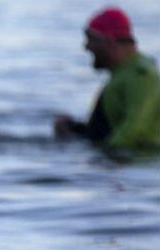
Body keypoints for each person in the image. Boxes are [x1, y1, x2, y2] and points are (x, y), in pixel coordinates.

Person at [54, 7, 160, 149]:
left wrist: (107, 164)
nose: (86, 46)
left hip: (133, 167)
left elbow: (135, 130)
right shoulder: (123, 74)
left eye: (91, 39)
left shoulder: (141, 75)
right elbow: (113, 129)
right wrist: (76, 130)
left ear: (109, 41)